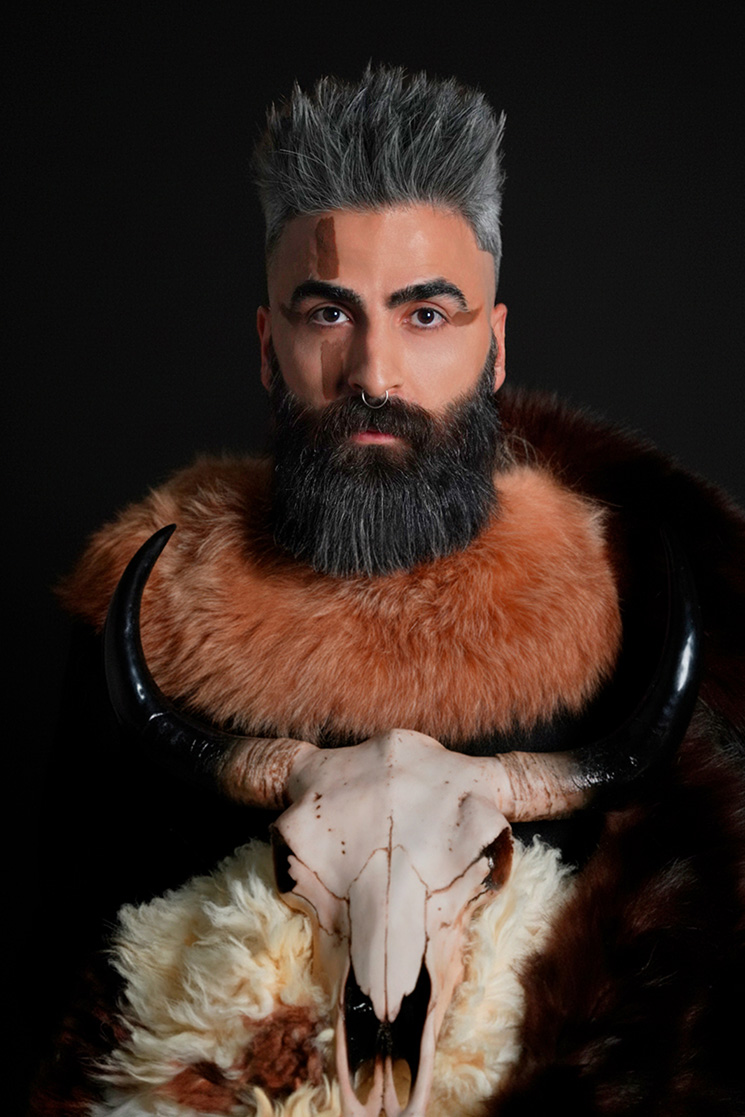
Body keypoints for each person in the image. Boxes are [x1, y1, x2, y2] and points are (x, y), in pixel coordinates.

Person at [32, 66, 745, 1116]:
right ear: (268, 346)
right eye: (329, 311)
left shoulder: (640, 629)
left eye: (426, 314)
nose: (373, 371)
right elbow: (60, 1003)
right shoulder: (142, 630)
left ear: (493, 347)